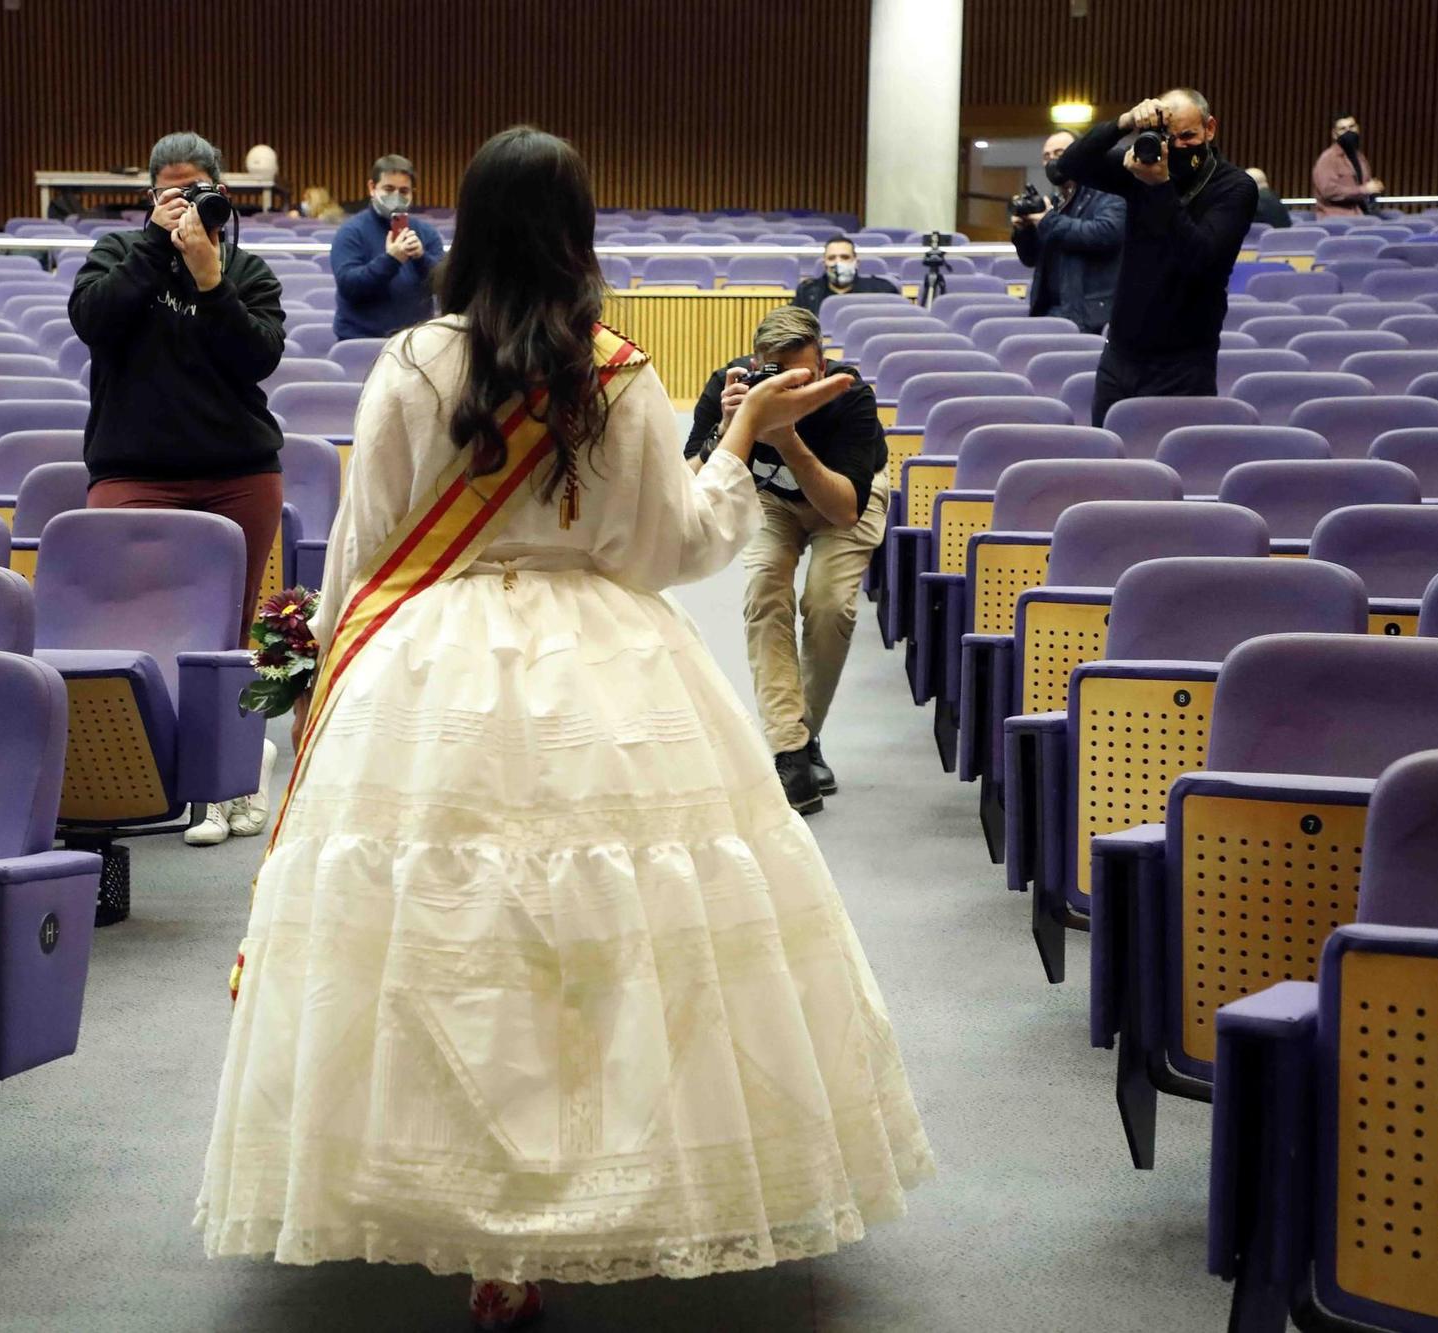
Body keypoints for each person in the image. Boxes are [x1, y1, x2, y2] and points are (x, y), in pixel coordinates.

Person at [198, 126, 932, 1332]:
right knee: (613, 933)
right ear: (579, 233)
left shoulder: (412, 363)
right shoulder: (618, 369)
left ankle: (474, 1221)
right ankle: (600, 1180)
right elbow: (675, 548)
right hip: (611, 672)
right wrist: (738, 442)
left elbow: (370, 548)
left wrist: (326, 663)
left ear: (467, 224)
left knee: (445, 940)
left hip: (432, 670)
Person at [67, 131, 288, 848]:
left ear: (221, 193)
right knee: (127, 632)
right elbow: (94, 322)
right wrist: (157, 249)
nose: (184, 204)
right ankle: (145, 776)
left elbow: (256, 357)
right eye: (170, 192)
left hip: (237, 477)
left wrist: (209, 277)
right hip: (133, 473)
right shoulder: (117, 255)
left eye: (196, 191)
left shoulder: (247, 271)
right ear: (150, 196)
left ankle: (232, 780)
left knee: (225, 636)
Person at [683, 306, 890, 814]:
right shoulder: (732, 387)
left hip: (844, 495)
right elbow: (689, 482)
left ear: (821, 366)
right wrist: (734, 427)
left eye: (804, 376)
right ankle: (791, 752)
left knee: (829, 604)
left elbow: (844, 509)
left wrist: (786, 437)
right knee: (763, 593)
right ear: (758, 365)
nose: (794, 388)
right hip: (772, 501)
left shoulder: (849, 396)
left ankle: (802, 735)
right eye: (779, 376)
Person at [1055, 88, 1258, 427]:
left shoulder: (1234, 187)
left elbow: (1201, 258)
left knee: (1176, 467)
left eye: (1188, 136)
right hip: (1120, 356)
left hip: (1184, 364)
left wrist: (1160, 186)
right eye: (1169, 136)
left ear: (1210, 129)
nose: (1177, 146)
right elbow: (1071, 164)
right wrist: (1123, 123)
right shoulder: (1142, 167)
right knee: (1112, 466)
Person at [1011, 130, 1125, 334]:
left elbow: (1105, 234)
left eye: (1059, 153)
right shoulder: (1055, 203)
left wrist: (1048, 221)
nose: (1052, 161)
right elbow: (1031, 258)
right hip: (1050, 312)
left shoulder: (1108, 192)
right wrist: (1024, 231)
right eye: (1047, 156)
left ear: (1079, 155)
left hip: (1090, 316)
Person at [329, 153, 444, 339]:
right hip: (362, 340)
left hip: (416, 341)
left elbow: (442, 284)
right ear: (372, 188)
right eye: (389, 189)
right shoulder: (350, 231)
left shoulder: (427, 233)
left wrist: (421, 257)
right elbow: (349, 286)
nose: (396, 197)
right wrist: (391, 260)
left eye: (404, 191)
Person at [790, 235, 900, 316]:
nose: (838, 263)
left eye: (845, 257)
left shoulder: (881, 290)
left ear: (856, 262)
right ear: (824, 263)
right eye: (832, 258)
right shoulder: (807, 292)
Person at [1313, 113, 1385, 218]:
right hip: (1336, 219)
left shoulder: (1359, 157)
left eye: (1352, 127)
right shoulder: (1327, 159)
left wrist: (1374, 188)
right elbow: (1328, 191)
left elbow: (1365, 183)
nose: (1348, 131)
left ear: (1358, 128)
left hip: (1362, 215)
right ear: (1334, 134)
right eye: (1343, 129)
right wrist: (1364, 190)